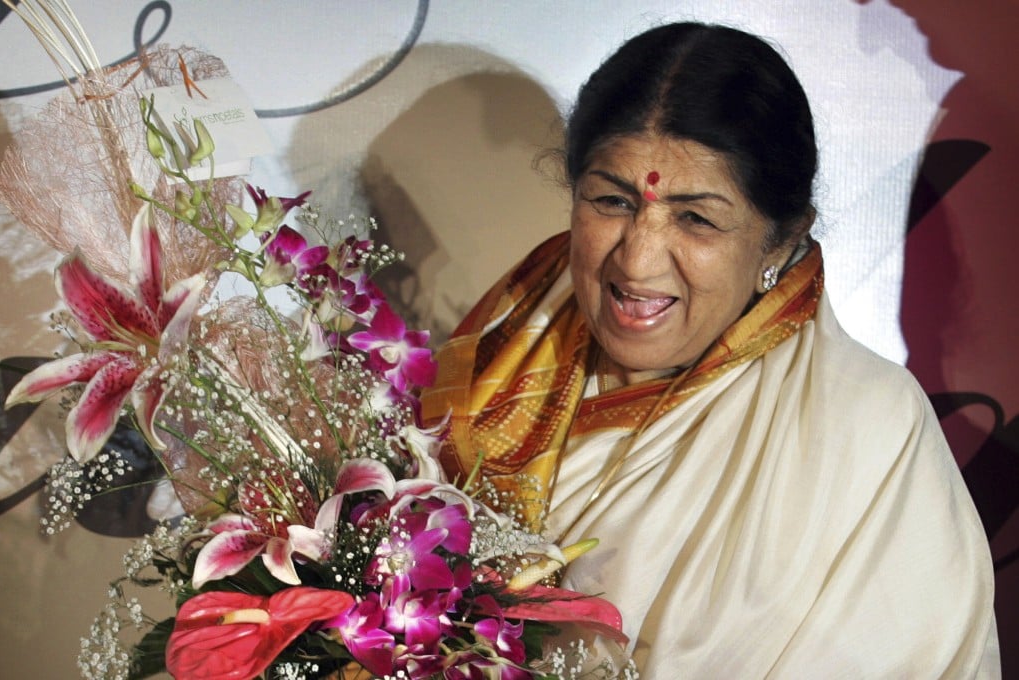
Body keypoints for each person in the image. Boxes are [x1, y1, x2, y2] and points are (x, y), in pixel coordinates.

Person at [419, 22, 999, 678]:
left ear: (779, 245)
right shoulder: (499, 352)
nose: (636, 261)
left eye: (695, 219)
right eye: (611, 201)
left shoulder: (871, 432)